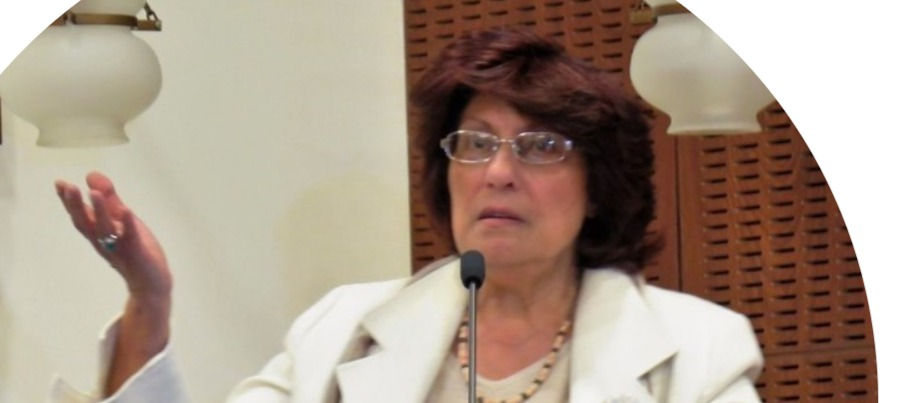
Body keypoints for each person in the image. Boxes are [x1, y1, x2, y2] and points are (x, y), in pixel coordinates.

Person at [50, 28, 763, 403]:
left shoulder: (696, 349)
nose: (499, 172)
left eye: (540, 147)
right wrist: (149, 300)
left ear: (598, 187)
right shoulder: (343, 331)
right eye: (475, 143)